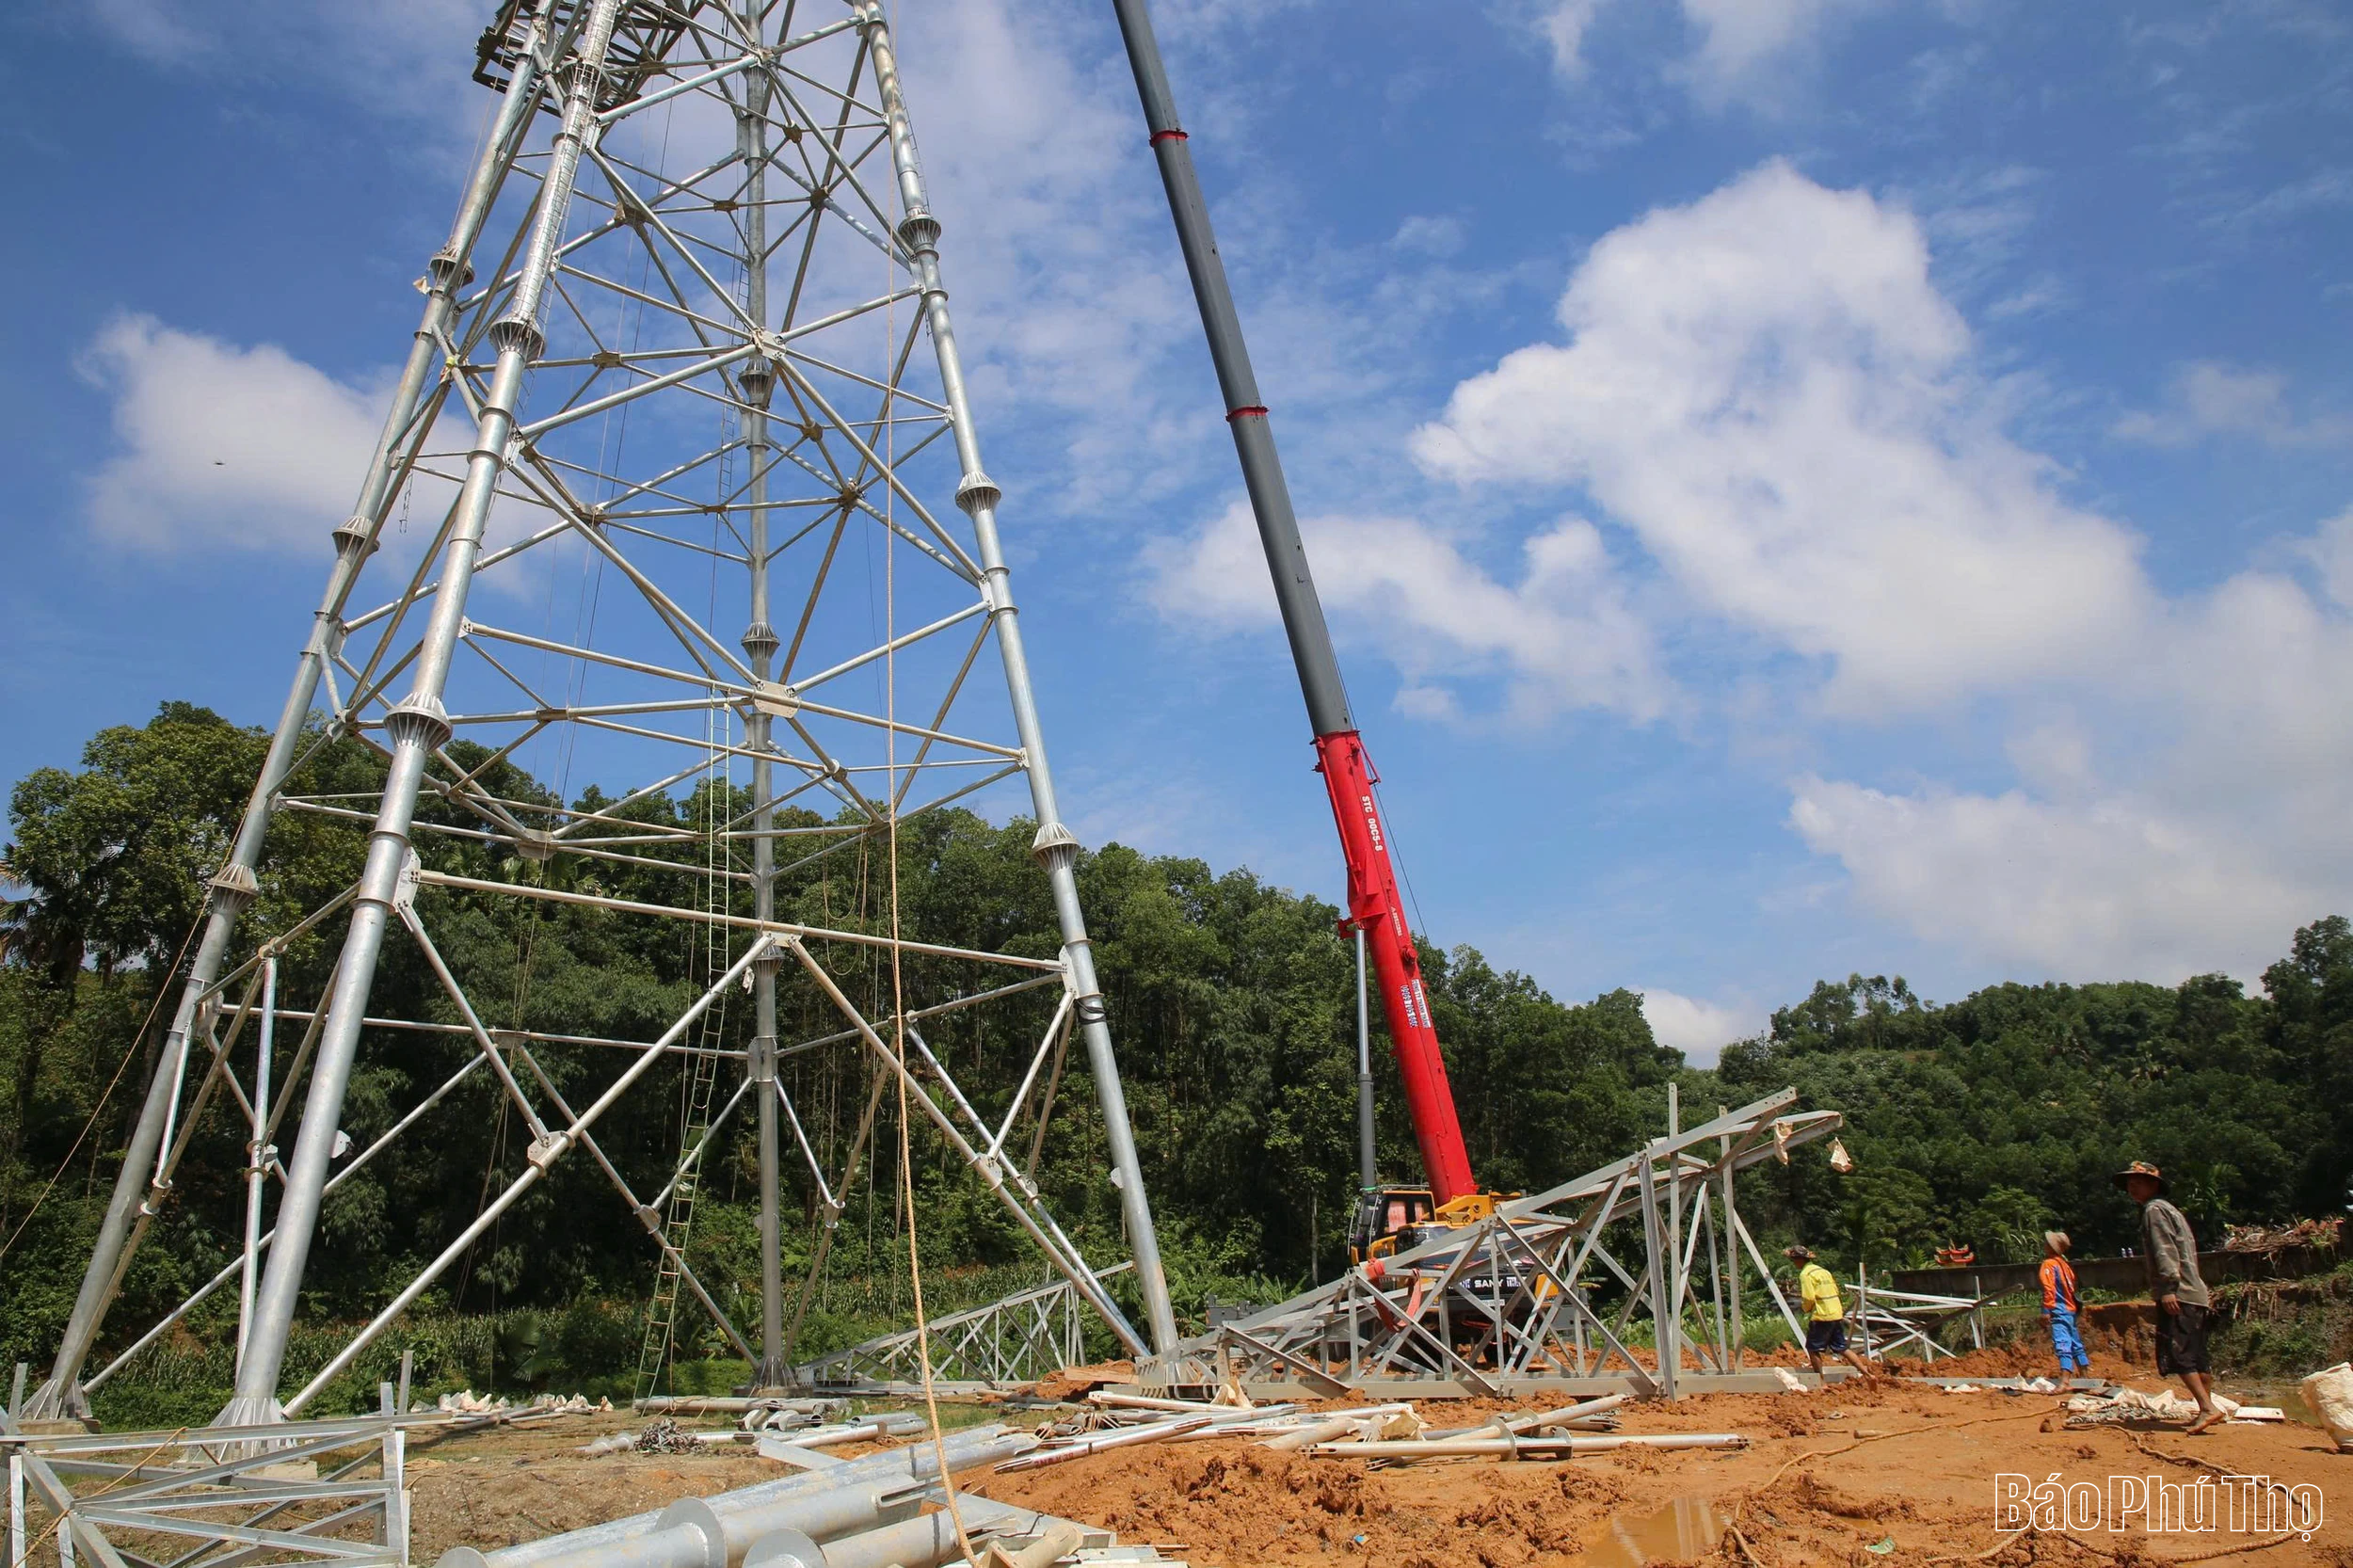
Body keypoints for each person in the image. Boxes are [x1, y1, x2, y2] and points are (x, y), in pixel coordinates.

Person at [2114, 1161, 2221, 1434]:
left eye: (2138, 1182)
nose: (2132, 1187)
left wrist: (2168, 1289)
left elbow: (2165, 1251)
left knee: (2180, 1353)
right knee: (2197, 1355)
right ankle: (2206, 1408)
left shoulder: (2154, 1210)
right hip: (2195, 1292)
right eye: (2129, 1183)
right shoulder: (2171, 1210)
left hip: (2180, 1292)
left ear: (2154, 1185)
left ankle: (2207, 1408)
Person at [1785, 1245, 1873, 1382]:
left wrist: (1806, 1309)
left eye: (1794, 1260)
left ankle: (1821, 1382)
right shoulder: (1824, 1271)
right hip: (1836, 1313)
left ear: (1799, 1260)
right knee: (1842, 1347)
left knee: (1813, 1349)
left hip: (1822, 1315)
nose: (1794, 1263)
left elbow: (1809, 1297)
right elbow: (1835, 1291)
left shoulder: (1805, 1274)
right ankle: (1868, 1374)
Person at [2039, 1230, 2089, 1378]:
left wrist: (2046, 1311)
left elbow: (2049, 1289)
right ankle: (2085, 1377)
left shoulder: (2048, 1264)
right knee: (2075, 1343)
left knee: (2062, 1343)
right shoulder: (2065, 1266)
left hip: (2058, 1309)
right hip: (2070, 1309)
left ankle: (2065, 1380)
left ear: (2050, 1247)